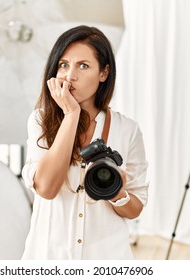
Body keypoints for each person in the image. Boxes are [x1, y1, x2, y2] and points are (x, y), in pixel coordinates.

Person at [21, 25, 149, 260]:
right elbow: (47, 189)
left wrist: (116, 191)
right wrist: (71, 115)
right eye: (63, 65)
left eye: (83, 65)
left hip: (106, 258)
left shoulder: (127, 130)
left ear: (103, 73)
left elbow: (136, 207)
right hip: (49, 257)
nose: (70, 76)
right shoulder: (40, 121)